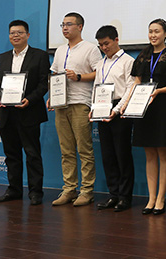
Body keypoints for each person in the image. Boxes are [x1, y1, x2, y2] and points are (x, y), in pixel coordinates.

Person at [0, 20, 50, 206]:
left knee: (32, 154)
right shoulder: (3, 57)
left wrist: (29, 100)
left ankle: (35, 192)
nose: (15, 36)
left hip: (28, 112)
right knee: (11, 155)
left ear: (28, 35)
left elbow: (44, 83)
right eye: (12, 33)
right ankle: (14, 190)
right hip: (6, 113)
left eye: (19, 32)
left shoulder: (39, 56)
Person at [126, 19, 166, 215]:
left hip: (162, 106)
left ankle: (161, 198)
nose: (153, 35)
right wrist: (129, 102)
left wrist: (158, 91)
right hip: (143, 108)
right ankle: (151, 198)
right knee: (149, 154)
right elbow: (137, 81)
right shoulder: (143, 55)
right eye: (150, 32)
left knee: (163, 153)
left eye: (157, 31)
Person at [48, 12, 99, 206]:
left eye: (69, 24)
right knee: (66, 150)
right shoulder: (60, 50)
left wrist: (78, 77)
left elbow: (99, 73)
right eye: (62, 25)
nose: (65, 28)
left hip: (80, 103)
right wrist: (51, 96)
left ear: (80, 27)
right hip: (61, 104)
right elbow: (54, 75)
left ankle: (87, 191)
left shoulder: (90, 49)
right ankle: (69, 189)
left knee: (84, 149)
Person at [90, 25, 135, 212]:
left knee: (122, 154)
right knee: (108, 155)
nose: (104, 48)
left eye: (106, 43)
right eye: (101, 45)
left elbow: (130, 89)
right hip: (102, 108)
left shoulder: (128, 61)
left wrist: (116, 110)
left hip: (120, 110)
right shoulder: (101, 64)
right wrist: (93, 108)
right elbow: (96, 87)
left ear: (117, 40)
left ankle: (125, 197)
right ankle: (113, 194)